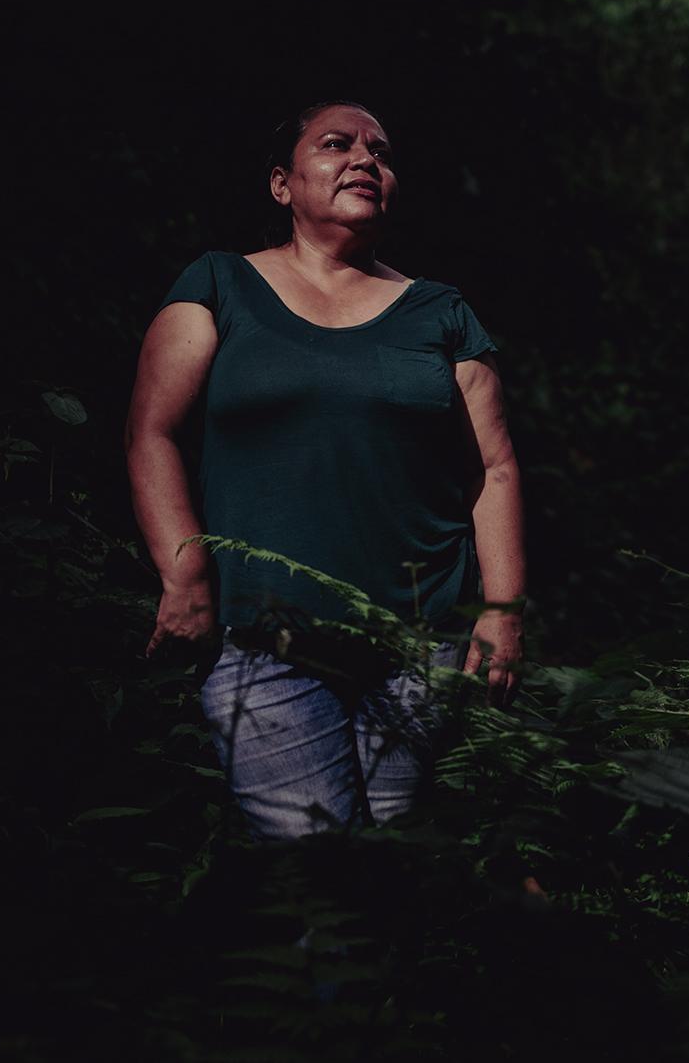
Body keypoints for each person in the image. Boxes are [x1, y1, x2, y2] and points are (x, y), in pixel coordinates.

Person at [125, 100, 526, 841]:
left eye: (381, 151)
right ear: (282, 184)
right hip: (265, 640)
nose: (366, 160)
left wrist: (501, 612)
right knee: (319, 867)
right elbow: (152, 431)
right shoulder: (218, 286)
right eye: (337, 144)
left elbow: (493, 468)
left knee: (393, 862)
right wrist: (184, 578)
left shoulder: (440, 312)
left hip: (420, 644)